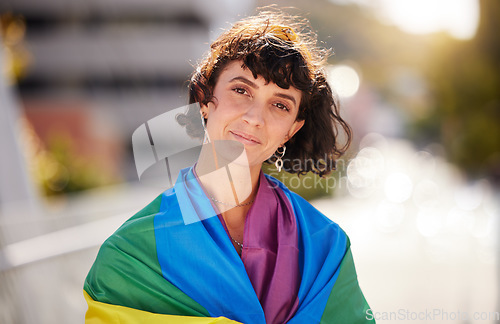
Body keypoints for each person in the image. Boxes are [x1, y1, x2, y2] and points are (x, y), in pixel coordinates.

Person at [83, 10, 374, 324]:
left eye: (279, 104)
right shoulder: (130, 256)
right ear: (205, 101)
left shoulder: (324, 249)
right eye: (241, 90)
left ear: (290, 130)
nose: (254, 117)